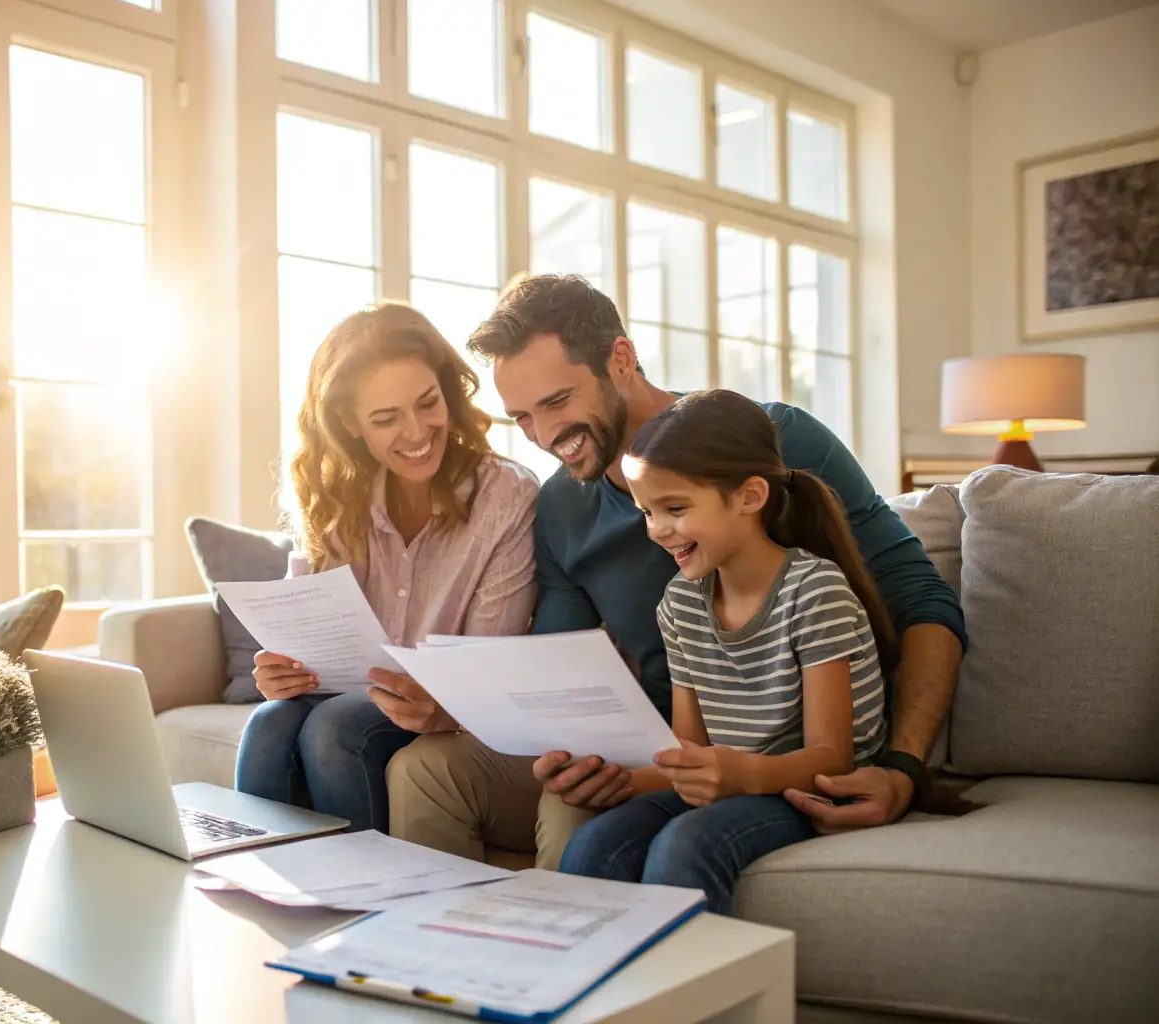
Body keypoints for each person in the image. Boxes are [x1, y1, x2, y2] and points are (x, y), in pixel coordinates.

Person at [386, 274, 966, 867]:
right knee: (426, 766)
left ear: (621, 359)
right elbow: (558, 669)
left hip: (770, 754)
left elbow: (923, 601)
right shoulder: (561, 506)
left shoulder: (769, 442)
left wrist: (903, 769)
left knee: (573, 814)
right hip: (652, 755)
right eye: (523, 417)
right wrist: (490, 719)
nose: (545, 436)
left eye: (557, 402)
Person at [558, 389, 897, 911]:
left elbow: (835, 757)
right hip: (736, 784)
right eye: (647, 512)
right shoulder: (680, 604)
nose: (658, 531)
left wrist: (745, 775)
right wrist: (612, 777)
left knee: (685, 846)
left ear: (750, 496)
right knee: (592, 845)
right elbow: (689, 749)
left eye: (674, 508)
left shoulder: (814, 591)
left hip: (805, 786)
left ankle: (689, 994)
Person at [234, 302, 538, 832]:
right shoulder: (334, 498)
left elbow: (492, 662)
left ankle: (373, 898)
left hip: (445, 708)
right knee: (270, 724)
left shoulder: (505, 496)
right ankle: (266, 890)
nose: (417, 432)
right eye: (386, 418)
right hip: (347, 695)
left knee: (334, 727)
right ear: (351, 424)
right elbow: (299, 623)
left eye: (427, 403)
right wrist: (279, 669)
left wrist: (444, 708)